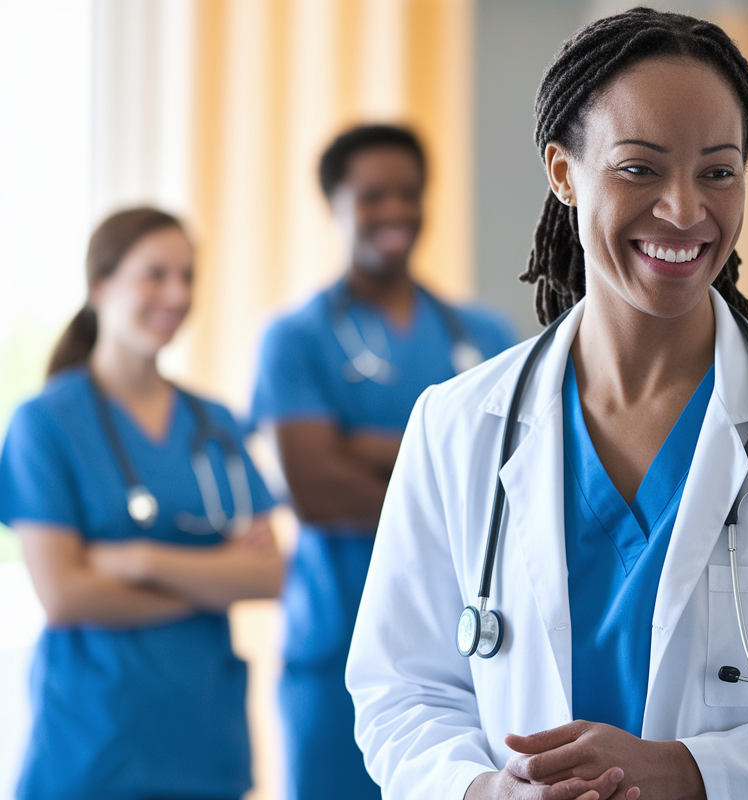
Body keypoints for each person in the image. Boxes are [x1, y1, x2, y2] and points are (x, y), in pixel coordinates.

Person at [346, 9, 748, 800]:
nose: (684, 210)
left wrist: (696, 772)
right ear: (563, 172)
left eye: (719, 171)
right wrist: (482, 791)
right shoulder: (457, 425)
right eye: (640, 168)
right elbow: (400, 694)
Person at [251, 123, 517, 800]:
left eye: (409, 193)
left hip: (473, 654)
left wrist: (366, 447)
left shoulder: (484, 336)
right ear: (335, 204)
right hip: (334, 651)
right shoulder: (296, 338)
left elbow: (513, 484)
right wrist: (439, 465)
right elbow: (315, 488)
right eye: (373, 196)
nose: (395, 211)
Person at [0, 207, 282, 800]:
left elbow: (271, 574)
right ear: (100, 285)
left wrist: (139, 561)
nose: (177, 294)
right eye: (155, 274)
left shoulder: (214, 422)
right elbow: (66, 596)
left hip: (205, 745)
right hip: (94, 748)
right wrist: (214, 577)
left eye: (187, 276)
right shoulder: (44, 426)